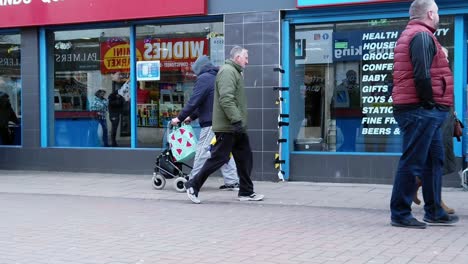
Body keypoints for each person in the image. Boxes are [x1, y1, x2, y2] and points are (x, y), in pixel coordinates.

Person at [390, 0, 458, 229]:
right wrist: (429, 103)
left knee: (434, 160)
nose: (439, 16)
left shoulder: (420, 34)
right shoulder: (420, 36)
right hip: (419, 110)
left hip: (423, 110)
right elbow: (421, 74)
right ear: (430, 13)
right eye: (437, 12)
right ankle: (400, 213)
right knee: (413, 162)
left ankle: (434, 211)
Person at [184, 46, 264, 204]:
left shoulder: (235, 71)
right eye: (245, 57)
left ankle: (246, 192)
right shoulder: (228, 71)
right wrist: (236, 119)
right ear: (237, 58)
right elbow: (226, 98)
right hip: (229, 125)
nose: (247, 61)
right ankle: (193, 185)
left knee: (245, 157)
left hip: (235, 125)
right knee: (219, 158)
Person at [170, 55, 240, 191]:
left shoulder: (204, 78)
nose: (195, 74)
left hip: (211, 125)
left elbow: (194, 101)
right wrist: (192, 116)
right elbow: (208, 103)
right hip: (224, 122)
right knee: (223, 153)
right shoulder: (217, 77)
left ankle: (193, 181)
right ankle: (232, 181)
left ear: (200, 69)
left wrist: (179, 118)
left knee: (202, 151)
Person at [412, 46, 455, 215]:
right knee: (436, 160)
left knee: (439, 160)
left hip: (445, 118)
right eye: (444, 57)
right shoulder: (431, 75)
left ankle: (417, 187)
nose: (446, 60)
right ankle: (435, 201)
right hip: (436, 119)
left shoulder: (444, 73)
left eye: (448, 57)